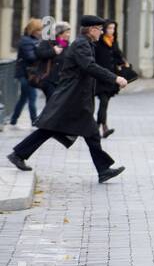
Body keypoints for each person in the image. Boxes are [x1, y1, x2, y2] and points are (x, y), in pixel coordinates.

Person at [6, 15, 128, 183]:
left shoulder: (84, 44)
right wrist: (114, 78)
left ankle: (19, 154)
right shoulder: (81, 45)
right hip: (72, 98)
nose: (101, 32)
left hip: (76, 97)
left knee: (69, 130)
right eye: (99, 29)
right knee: (69, 130)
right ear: (92, 30)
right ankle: (103, 169)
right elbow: (89, 66)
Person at [94, 20, 127, 138]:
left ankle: (100, 127)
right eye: (109, 28)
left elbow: (118, 57)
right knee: (103, 102)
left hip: (111, 78)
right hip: (100, 78)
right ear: (104, 29)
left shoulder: (113, 41)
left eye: (113, 28)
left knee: (104, 103)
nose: (111, 31)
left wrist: (124, 63)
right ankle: (101, 127)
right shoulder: (98, 42)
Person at [9, 18, 42, 128]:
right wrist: (42, 54)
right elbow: (31, 57)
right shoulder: (26, 41)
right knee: (32, 96)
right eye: (38, 30)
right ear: (33, 30)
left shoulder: (33, 40)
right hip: (26, 74)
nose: (40, 32)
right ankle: (35, 121)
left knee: (23, 98)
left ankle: (13, 120)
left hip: (27, 74)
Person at [31, 21, 70, 100]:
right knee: (52, 103)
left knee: (56, 105)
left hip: (61, 80)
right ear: (60, 33)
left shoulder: (65, 44)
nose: (69, 34)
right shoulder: (47, 42)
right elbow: (39, 54)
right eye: (67, 32)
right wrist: (53, 51)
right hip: (48, 79)